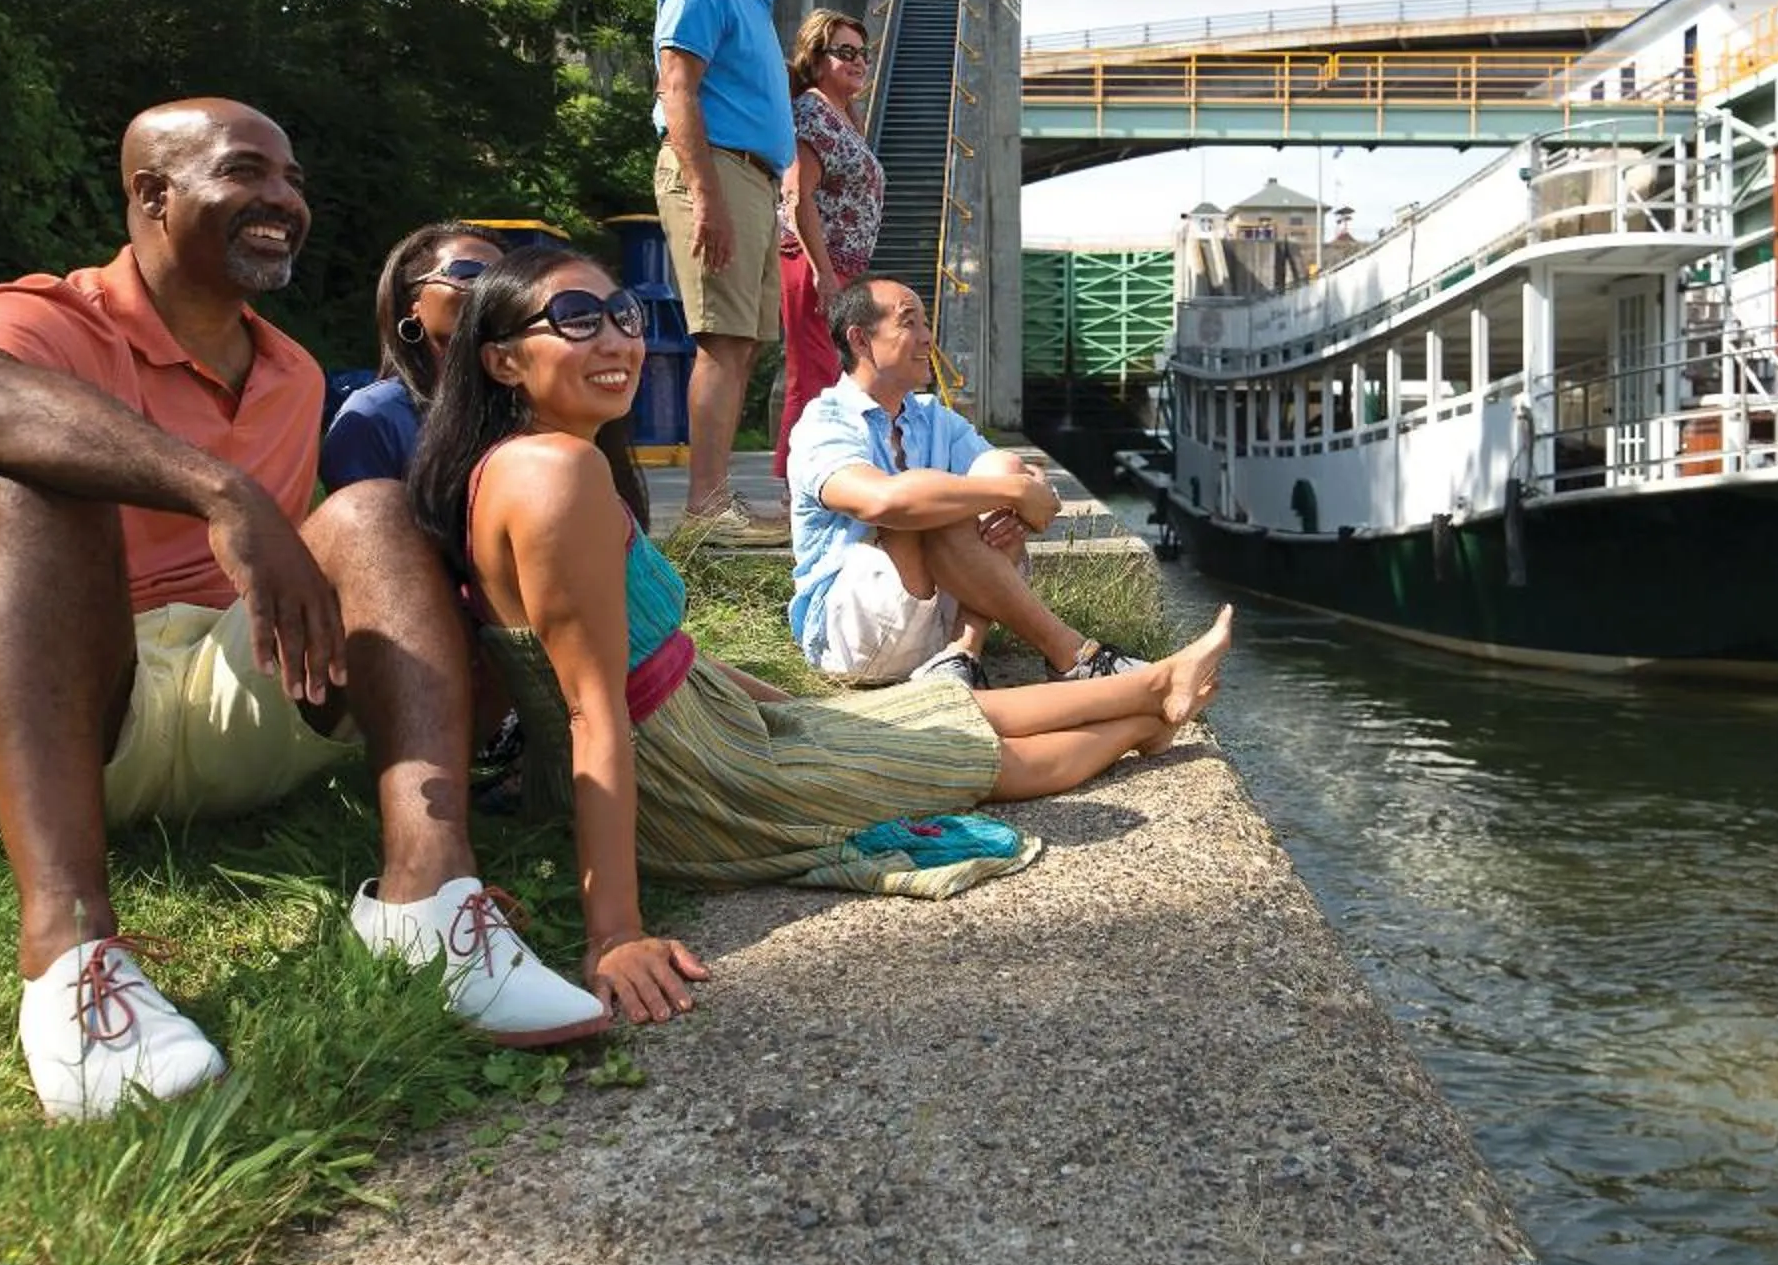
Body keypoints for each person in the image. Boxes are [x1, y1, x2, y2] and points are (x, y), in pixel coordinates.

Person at [0, 101, 608, 1122]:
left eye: (293, 180)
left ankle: (429, 902)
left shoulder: (291, 372)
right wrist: (221, 490)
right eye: (247, 171)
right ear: (152, 193)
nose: (284, 199)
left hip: (208, 695)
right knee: (39, 485)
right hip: (13, 717)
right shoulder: (48, 315)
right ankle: (71, 961)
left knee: (373, 510)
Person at [405, 246, 1233, 1028]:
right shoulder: (556, 473)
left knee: (905, 718)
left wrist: (776, 704)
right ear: (502, 360)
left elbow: (645, 653)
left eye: (622, 314)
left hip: (702, 720)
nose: (616, 339)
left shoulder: (531, 460)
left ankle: (1151, 688)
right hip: (686, 775)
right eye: (576, 320)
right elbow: (593, 710)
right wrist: (615, 933)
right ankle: (1144, 717)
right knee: (949, 762)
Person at [785, 279, 1145, 691]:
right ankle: (1072, 653)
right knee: (931, 502)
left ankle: (962, 654)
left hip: (937, 621)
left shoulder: (929, 416)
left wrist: (1022, 493)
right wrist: (1014, 494)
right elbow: (883, 503)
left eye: (926, 323)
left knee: (999, 467)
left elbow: (1016, 476)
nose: (927, 337)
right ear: (860, 340)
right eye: (909, 323)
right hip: (853, 634)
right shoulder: (824, 422)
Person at [652, 0, 804, 544]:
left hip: (750, 177)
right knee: (722, 339)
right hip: (717, 169)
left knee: (741, 343)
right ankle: (706, 509)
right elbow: (677, 87)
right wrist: (706, 195)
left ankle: (716, 500)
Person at [772, 7, 885, 479]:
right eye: (845, 52)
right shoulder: (814, 111)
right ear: (817, 58)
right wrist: (822, 273)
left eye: (862, 53)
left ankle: (820, 472)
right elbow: (798, 196)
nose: (858, 61)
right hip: (813, 262)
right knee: (813, 372)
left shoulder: (845, 114)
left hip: (840, 266)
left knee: (831, 373)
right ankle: (797, 481)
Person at [321, 223, 503, 490]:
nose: (488, 288)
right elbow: (359, 513)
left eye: (501, 278)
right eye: (467, 271)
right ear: (412, 303)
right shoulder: (377, 415)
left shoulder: (519, 412)